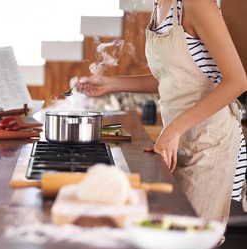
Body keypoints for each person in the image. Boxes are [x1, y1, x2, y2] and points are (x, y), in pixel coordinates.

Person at [75, 0, 247, 230]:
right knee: (171, 234)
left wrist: (174, 129)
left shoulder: (196, 4)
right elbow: (172, 78)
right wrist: (112, 83)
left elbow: (237, 81)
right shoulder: (159, 6)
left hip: (210, 142)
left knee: (191, 242)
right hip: (177, 141)